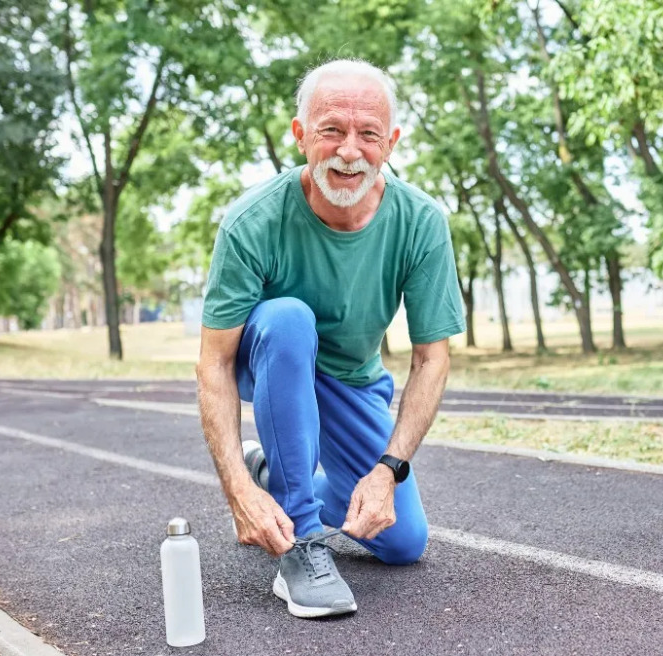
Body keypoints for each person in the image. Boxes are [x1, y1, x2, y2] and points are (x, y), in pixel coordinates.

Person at [195, 59, 466, 619]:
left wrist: (388, 470)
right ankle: (301, 546)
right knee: (290, 320)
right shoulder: (251, 221)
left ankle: (281, 474)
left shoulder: (421, 222)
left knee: (403, 542)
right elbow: (214, 363)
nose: (349, 151)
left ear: (390, 143)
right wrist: (238, 490)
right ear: (300, 135)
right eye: (332, 130)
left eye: (368, 134)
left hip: (349, 380)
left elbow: (431, 359)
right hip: (272, 357)